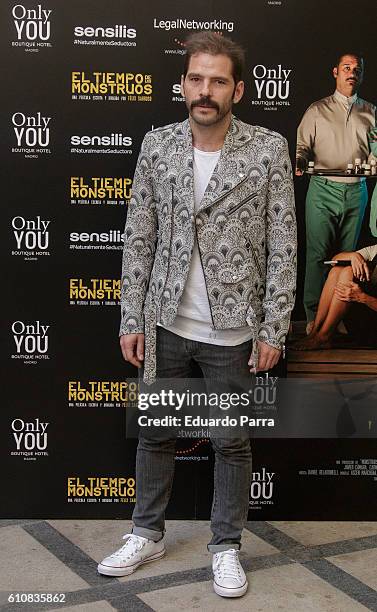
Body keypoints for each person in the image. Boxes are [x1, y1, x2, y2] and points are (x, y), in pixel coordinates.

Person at [98, 32, 296, 598]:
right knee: (155, 436)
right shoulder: (157, 145)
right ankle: (146, 533)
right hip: (165, 325)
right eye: (196, 78)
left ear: (237, 87)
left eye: (217, 80)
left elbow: (284, 245)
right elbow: (139, 238)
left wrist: (274, 325)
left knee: (231, 443)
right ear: (183, 83)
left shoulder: (267, 149)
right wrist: (130, 319)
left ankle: (226, 545)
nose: (205, 90)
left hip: (233, 332)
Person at [295, 53, 375, 334]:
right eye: (346, 68)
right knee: (317, 254)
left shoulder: (371, 112)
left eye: (357, 69)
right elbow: (303, 146)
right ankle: (313, 316)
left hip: (357, 191)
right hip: (322, 189)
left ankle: (335, 315)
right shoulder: (317, 110)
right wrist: (301, 161)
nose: (351, 73)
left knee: (345, 257)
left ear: (361, 75)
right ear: (335, 72)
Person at [292, 245, 377, 350]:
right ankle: (315, 332)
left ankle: (324, 336)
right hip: (365, 318)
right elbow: (334, 261)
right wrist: (353, 256)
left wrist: (362, 297)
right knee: (336, 270)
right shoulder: (374, 250)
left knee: (348, 271)